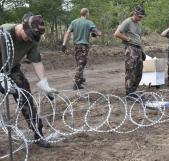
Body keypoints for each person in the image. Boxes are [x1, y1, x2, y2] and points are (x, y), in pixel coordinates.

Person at [0, 12, 58, 148]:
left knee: (25, 96)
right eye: (29, 36)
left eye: (34, 38)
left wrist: (45, 85)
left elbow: (37, 62)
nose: (30, 40)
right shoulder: (4, 33)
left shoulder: (33, 39)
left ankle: (38, 134)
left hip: (11, 68)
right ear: (23, 26)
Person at [62, 8, 102, 90]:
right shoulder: (89, 23)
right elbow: (98, 33)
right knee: (81, 63)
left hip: (76, 46)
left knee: (79, 62)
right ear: (86, 13)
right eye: (88, 13)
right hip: (84, 46)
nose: (89, 14)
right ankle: (76, 83)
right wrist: (96, 34)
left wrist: (64, 44)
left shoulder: (74, 22)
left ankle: (80, 79)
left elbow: (68, 32)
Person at [114, 4, 146, 97]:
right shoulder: (127, 22)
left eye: (142, 17)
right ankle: (129, 93)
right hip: (131, 48)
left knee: (139, 71)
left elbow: (138, 36)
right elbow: (117, 33)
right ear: (135, 14)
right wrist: (128, 39)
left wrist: (142, 50)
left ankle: (133, 91)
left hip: (138, 48)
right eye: (139, 16)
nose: (141, 18)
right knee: (131, 71)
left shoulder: (139, 23)